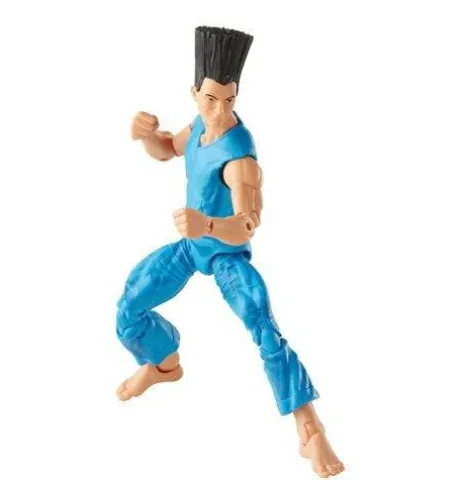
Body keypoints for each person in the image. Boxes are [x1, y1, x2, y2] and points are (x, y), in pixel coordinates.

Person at [116, 26, 344, 478]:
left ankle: (310, 431)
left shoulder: (240, 154)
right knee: (129, 305)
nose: (219, 111)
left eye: (229, 100)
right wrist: (145, 135)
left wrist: (208, 225)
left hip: (226, 254)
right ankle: (163, 364)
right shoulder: (199, 125)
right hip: (190, 247)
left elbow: (247, 224)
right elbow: (167, 149)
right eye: (211, 99)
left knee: (263, 325)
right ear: (195, 94)